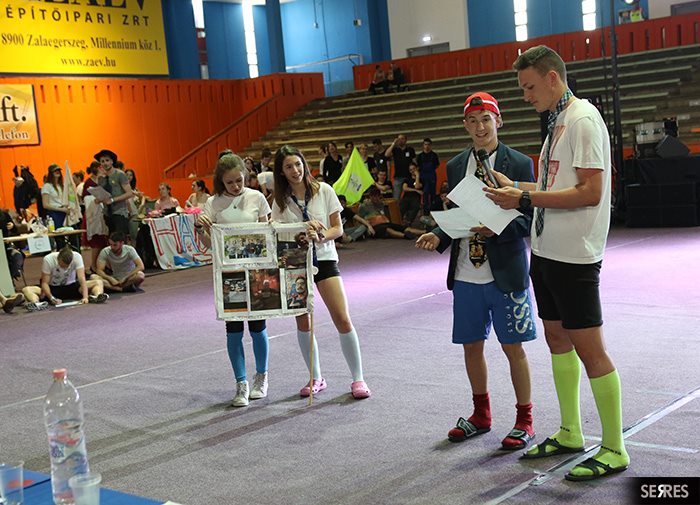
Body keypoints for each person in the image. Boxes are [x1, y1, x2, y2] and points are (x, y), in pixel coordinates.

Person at [485, 45, 629, 481]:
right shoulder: (557, 121)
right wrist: (518, 186)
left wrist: (524, 198)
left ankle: (615, 447)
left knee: (590, 350)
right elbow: (556, 185)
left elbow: (590, 192)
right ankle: (570, 431)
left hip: (575, 256)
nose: (525, 96)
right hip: (546, 250)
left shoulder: (582, 119)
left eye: (529, 87)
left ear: (552, 78)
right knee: (556, 339)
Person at [416, 91, 538, 451]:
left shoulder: (520, 163)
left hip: (506, 271)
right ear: (465, 125)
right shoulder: (456, 166)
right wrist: (439, 234)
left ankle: (525, 420)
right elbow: (461, 216)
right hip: (466, 272)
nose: (480, 127)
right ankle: (481, 414)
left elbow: (531, 218)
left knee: (513, 347)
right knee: (471, 346)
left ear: (498, 121)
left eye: (486, 119)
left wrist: (497, 228)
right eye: (472, 121)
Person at [271, 145, 371, 399]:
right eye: (288, 167)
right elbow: (276, 233)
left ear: (304, 164)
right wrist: (300, 231)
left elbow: (338, 228)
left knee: (342, 318)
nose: (295, 170)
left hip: (325, 259)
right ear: (281, 172)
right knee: (303, 322)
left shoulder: (324, 190)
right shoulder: (280, 201)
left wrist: (320, 235)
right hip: (295, 263)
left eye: (298, 164)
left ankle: (358, 379)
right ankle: (315, 378)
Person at [196, 151, 272, 407]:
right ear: (221, 181)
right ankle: (241, 383)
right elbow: (209, 245)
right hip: (230, 274)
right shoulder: (213, 203)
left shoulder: (257, 198)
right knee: (234, 330)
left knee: (258, 327)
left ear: (245, 176)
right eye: (229, 182)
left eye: (239, 180)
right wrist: (202, 229)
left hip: (257, 272)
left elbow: (267, 234)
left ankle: (261, 377)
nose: (236, 186)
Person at [22, 245, 108, 311]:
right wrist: (52, 298)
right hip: (53, 289)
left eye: (67, 266)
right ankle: (36, 304)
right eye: (62, 265)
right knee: (27, 289)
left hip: (71, 286)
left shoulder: (77, 256)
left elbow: (82, 278)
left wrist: (85, 297)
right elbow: (44, 283)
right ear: (58, 259)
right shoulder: (48, 259)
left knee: (98, 282)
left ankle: (97, 297)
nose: (65, 268)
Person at [358, 186, 423, 240]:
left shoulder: (380, 204)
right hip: (374, 226)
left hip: (384, 222)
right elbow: (360, 219)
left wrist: (380, 202)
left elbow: (383, 211)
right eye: (374, 196)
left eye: (377, 196)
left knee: (401, 227)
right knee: (387, 229)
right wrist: (368, 227)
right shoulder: (364, 206)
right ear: (370, 196)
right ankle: (404, 236)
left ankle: (424, 232)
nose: (376, 198)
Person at [94, 149, 133, 236]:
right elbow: (101, 194)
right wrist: (98, 199)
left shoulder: (120, 174)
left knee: (119, 238)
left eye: (107, 160)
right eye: (102, 161)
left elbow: (129, 193)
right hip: (107, 213)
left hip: (120, 212)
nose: (105, 163)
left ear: (112, 161)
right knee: (111, 238)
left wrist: (113, 200)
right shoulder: (101, 178)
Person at [82, 161, 109, 273]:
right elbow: (85, 199)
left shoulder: (103, 180)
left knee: (103, 241)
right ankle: (93, 265)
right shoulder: (88, 182)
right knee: (96, 242)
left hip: (102, 213)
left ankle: (101, 265)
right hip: (92, 216)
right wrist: (95, 199)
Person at [384, 134, 416, 199]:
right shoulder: (395, 149)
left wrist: (415, 173)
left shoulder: (410, 149)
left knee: (410, 196)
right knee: (396, 197)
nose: (400, 140)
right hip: (398, 177)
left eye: (402, 139)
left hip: (409, 176)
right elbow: (386, 154)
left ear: (406, 140)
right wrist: (393, 143)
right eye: (399, 139)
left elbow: (414, 161)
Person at [416, 138, 440, 214]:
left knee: (433, 193)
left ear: (431, 145)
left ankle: (433, 211)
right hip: (423, 176)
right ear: (423, 145)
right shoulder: (420, 156)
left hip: (432, 176)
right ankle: (426, 212)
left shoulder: (434, 155)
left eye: (428, 144)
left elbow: (437, 165)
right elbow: (418, 166)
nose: (427, 146)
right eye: (425, 144)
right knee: (425, 193)